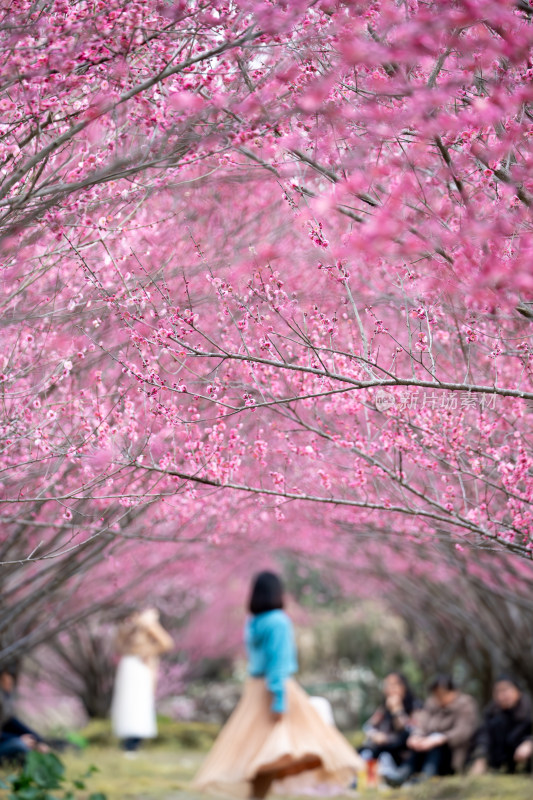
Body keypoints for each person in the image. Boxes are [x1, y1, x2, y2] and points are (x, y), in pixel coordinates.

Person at [193, 571, 363, 798]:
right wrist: (279, 700)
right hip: (275, 689)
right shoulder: (278, 621)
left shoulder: (253, 622)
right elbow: (278, 662)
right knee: (310, 741)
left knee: (260, 752)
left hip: (254, 689)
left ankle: (258, 796)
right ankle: (330, 782)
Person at [382, 674, 478, 786]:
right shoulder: (432, 703)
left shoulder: (465, 704)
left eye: (442, 694)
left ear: (453, 692)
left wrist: (441, 738)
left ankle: (427, 775)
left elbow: (463, 732)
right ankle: (403, 773)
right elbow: (422, 724)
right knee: (421, 744)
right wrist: (416, 736)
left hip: (452, 753)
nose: (439, 698)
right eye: (436, 694)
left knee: (436, 745)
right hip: (427, 747)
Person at [110, 608, 173, 754]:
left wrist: (147, 651)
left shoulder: (147, 625)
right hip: (127, 665)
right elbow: (118, 647)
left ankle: (135, 741)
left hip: (140, 666)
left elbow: (166, 643)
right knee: (125, 703)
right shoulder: (124, 628)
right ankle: (126, 738)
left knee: (138, 703)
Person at [470, 675, 533, 774]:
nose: (502, 695)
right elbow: (483, 736)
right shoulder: (491, 712)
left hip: (524, 763)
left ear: (518, 691)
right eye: (497, 691)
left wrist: (529, 743)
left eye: (505, 690)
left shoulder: (529, 710)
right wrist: (481, 756)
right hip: (498, 765)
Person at [360, 672, 419, 773]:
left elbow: (410, 730)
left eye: (394, 685)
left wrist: (397, 710)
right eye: (387, 685)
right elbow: (367, 726)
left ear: (403, 686)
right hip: (383, 748)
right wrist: (375, 735)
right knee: (364, 750)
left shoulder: (415, 706)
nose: (391, 689)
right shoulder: (383, 709)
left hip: (405, 752)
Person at [0, 663, 50, 765]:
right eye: (6, 678)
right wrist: (19, 739)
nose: (10, 682)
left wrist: (37, 740)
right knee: (20, 745)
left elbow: (10, 722)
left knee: (25, 745)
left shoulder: (5, 699)